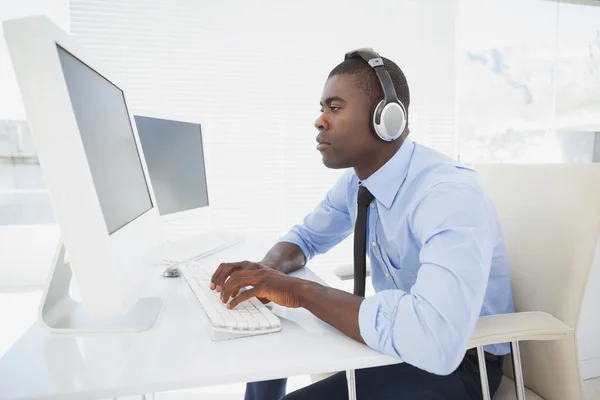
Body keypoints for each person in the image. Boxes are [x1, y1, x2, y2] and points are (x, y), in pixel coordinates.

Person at [209, 48, 515, 400]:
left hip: (462, 365)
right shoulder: (359, 183)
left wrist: (297, 291)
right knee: (267, 349)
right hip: (400, 346)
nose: (320, 121)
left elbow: (436, 340)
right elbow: (306, 237)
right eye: (321, 108)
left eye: (334, 108)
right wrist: (267, 271)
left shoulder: (446, 196)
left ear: (387, 119)